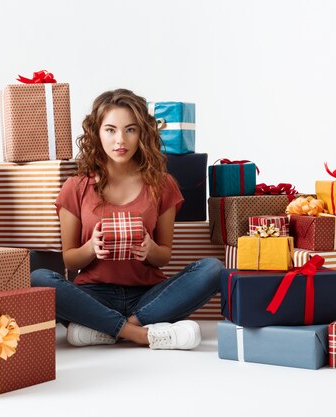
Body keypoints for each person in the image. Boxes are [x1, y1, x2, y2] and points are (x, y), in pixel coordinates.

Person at [31, 89, 224, 350]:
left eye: (130, 130)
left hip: (148, 295)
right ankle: (140, 334)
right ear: (96, 133)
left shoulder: (162, 184)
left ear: (142, 133)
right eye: (110, 130)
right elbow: (69, 259)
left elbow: (164, 256)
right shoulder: (75, 187)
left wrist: (149, 249)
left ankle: (107, 329)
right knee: (39, 278)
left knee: (212, 269)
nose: (120, 140)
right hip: (93, 295)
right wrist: (91, 248)